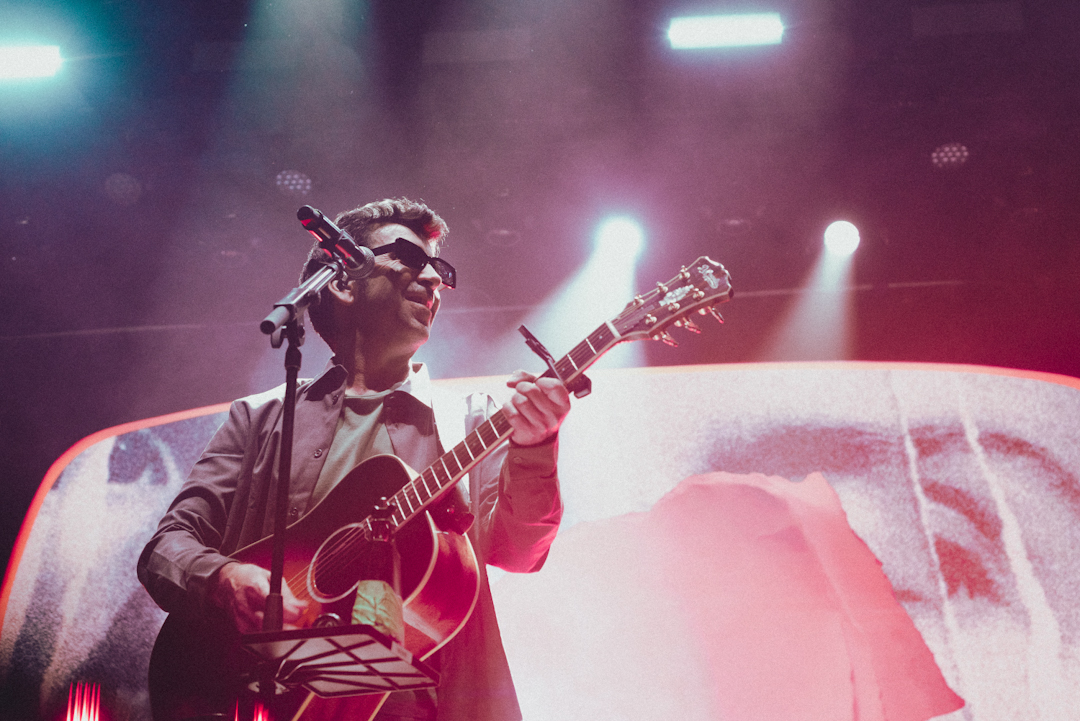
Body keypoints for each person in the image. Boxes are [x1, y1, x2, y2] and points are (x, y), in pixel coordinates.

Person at [137, 198, 571, 721]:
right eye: (410, 258)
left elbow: (520, 552)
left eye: (440, 269)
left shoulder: (471, 420)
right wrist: (223, 579)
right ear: (342, 282)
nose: (433, 280)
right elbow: (167, 547)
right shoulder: (258, 419)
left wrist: (536, 447)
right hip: (254, 701)